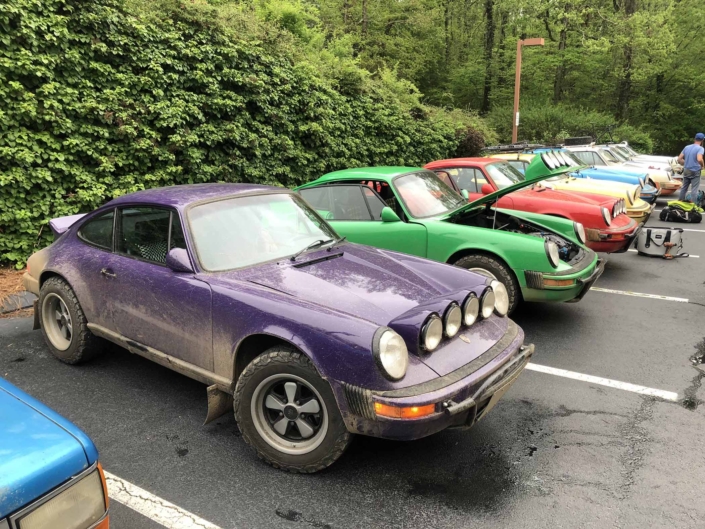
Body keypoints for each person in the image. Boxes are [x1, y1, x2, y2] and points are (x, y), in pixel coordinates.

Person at [677, 133, 704, 203]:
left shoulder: (687, 147)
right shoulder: (700, 148)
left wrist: (686, 162)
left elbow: (679, 159)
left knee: (684, 188)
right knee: (694, 189)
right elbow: (699, 159)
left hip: (686, 170)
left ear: (694, 138)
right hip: (695, 171)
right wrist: (702, 165)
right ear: (702, 140)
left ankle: (680, 202)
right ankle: (694, 207)